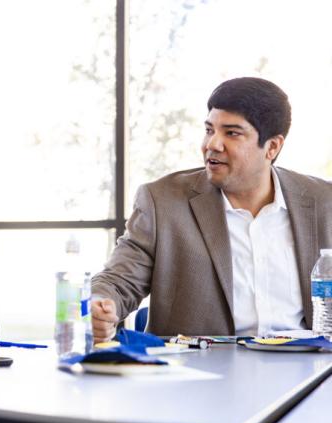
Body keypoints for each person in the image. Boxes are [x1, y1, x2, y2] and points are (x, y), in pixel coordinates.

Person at [92, 77, 332, 341]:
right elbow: (119, 280)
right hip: (202, 373)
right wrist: (102, 304)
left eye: (231, 133)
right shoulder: (163, 201)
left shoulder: (324, 202)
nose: (212, 145)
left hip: (308, 370)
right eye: (209, 130)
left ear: (272, 147)